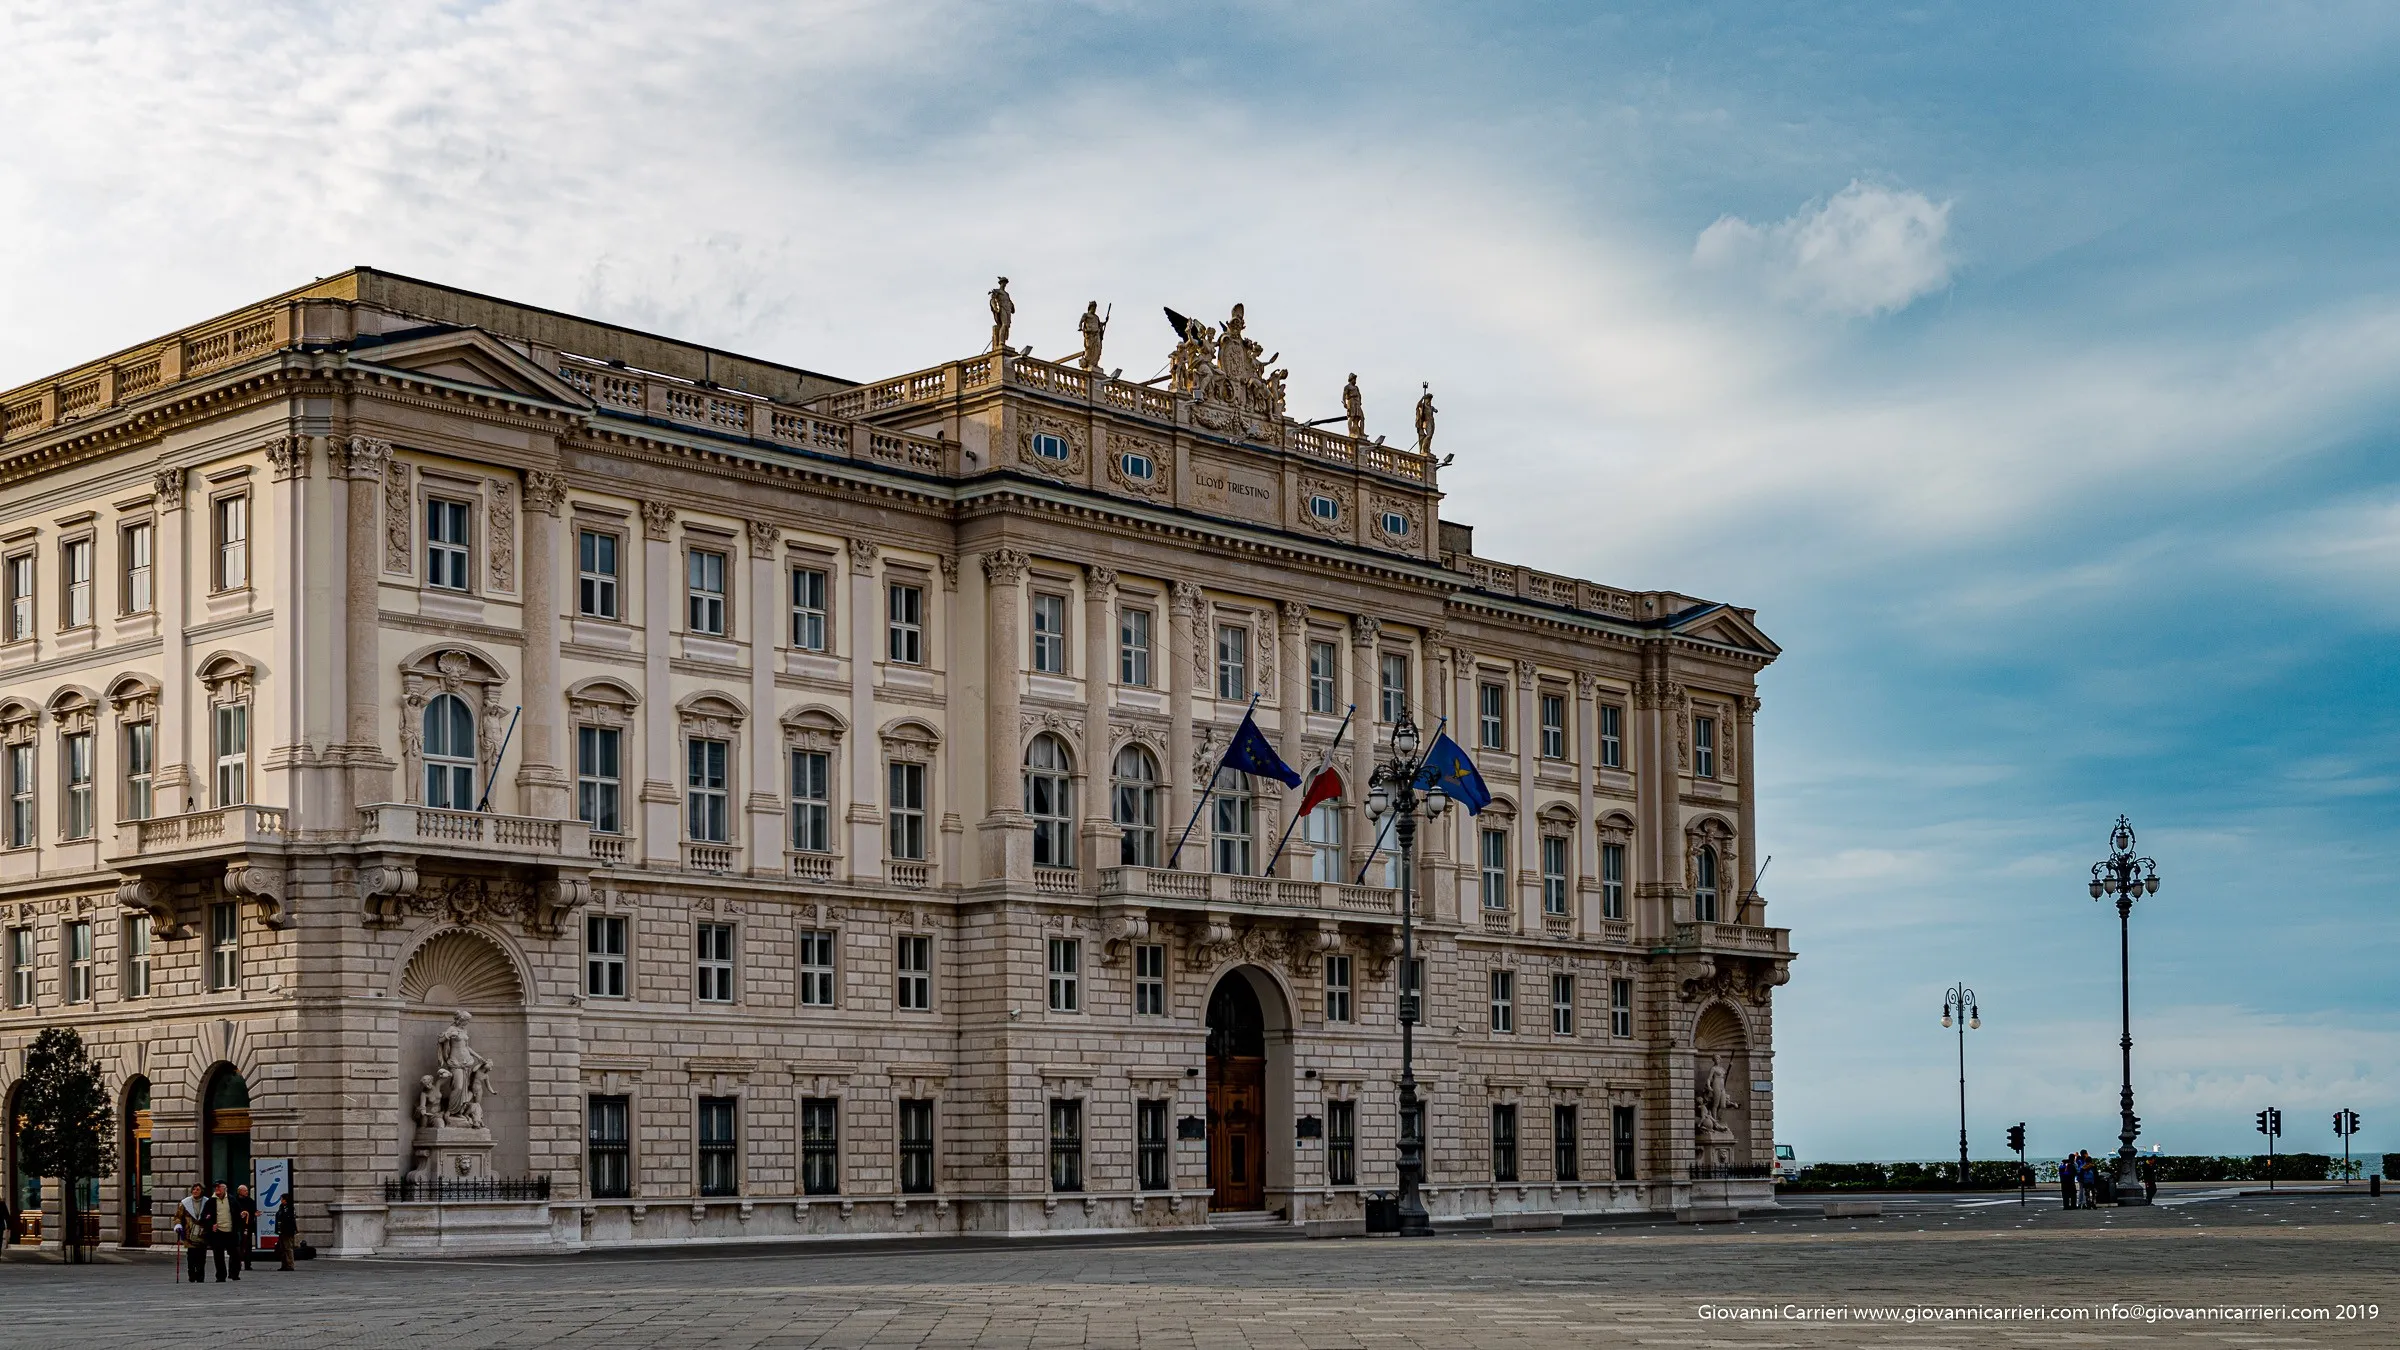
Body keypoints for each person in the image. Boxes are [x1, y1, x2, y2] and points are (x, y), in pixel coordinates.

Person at [206, 1182, 238, 1281]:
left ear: (225, 1189)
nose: (217, 1189)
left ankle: (234, 1274)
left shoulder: (232, 1199)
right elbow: (205, 1216)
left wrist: (242, 1215)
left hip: (230, 1231)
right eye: (216, 1187)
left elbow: (238, 1212)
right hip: (218, 1232)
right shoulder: (211, 1201)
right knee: (218, 1255)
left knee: (235, 1253)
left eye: (219, 1187)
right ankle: (220, 1276)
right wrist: (211, 1224)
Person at [178, 1185, 209, 1284]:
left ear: (201, 1192)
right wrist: (178, 1225)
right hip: (189, 1233)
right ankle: (191, 1275)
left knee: (201, 1256)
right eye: (194, 1189)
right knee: (191, 1256)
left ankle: (200, 1276)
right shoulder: (185, 1203)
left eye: (198, 1190)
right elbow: (178, 1217)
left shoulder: (207, 1202)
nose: (195, 1191)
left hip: (202, 1233)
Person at [234, 1183, 258, 1271]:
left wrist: (254, 1213)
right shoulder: (235, 1200)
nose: (247, 1192)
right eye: (245, 1191)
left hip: (248, 1226)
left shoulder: (250, 1201)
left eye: (247, 1190)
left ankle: (248, 1263)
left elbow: (253, 1210)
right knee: (238, 1245)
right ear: (240, 1191)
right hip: (238, 1226)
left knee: (247, 1245)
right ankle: (238, 1262)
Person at [276, 1190, 297, 1271]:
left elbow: (288, 1219)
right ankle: (284, 1264)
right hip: (282, 1231)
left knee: (288, 1248)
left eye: (282, 1199)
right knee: (283, 1248)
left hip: (287, 1231)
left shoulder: (290, 1208)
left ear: (285, 1200)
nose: (281, 1200)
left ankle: (290, 1265)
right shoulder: (281, 1207)